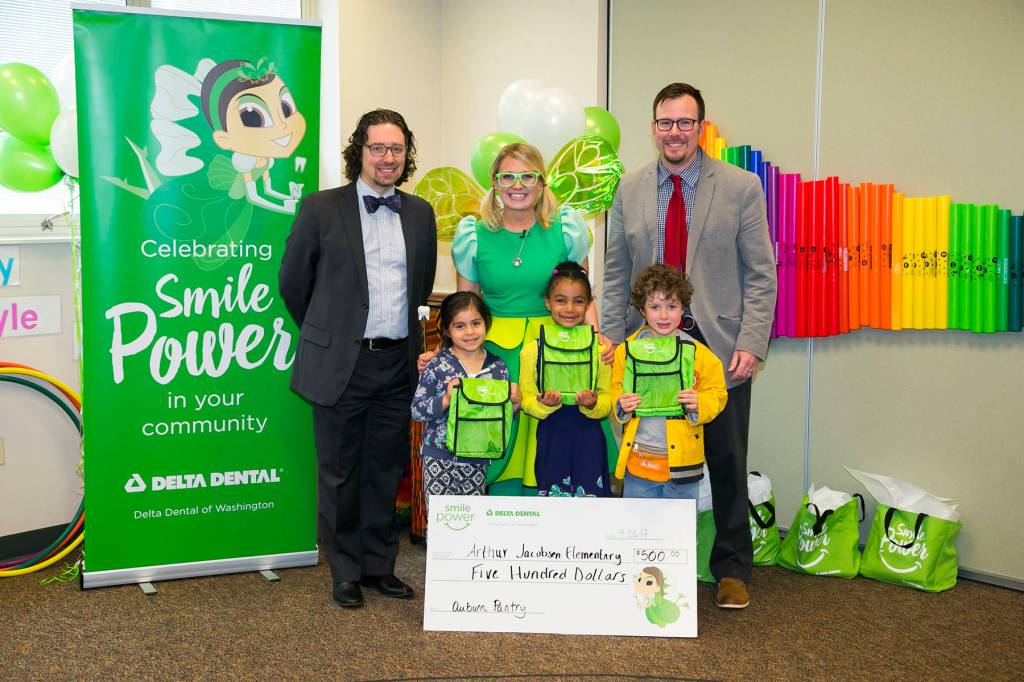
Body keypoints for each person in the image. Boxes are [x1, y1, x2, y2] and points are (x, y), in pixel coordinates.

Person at [601, 83, 777, 609]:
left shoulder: (741, 187)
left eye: (684, 122)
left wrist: (752, 341)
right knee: (645, 454)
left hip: (717, 346)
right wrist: (612, 333)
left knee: (725, 454)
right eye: (664, 122)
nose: (673, 132)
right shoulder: (627, 188)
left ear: (701, 126)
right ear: (652, 126)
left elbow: (761, 274)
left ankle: (730, 568)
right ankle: (645, 562)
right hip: (643, 345)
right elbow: (614, 272)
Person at [279, 109, 437, 609]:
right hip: (341, 363)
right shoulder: (320, 209)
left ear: (405, 155)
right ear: (359, 152)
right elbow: (293, 283)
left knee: (385, 470)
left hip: (397, 363)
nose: (388, 158)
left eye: (396, 149)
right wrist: (330, 333)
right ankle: (344, 571)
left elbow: (423, 284)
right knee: (340, 472)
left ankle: (378, 566)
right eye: (378, 148)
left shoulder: (420, 213)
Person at [448, 143, 612, 496]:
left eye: (527, 176)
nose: (517, 184)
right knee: (500, 441)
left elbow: (582, 296)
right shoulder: (473, 235)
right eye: (507, 176)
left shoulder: (565, 229)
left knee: (554, 441)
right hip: (496, 356)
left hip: (557, 353)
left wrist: (596, 339)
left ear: (542, 182)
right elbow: (466, 307)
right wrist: (453, 358)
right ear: (494, 182)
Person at [610, 264, 727, 501]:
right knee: (639, 534)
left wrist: (699, 403)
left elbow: (718, 392)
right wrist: (621, 404)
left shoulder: (698, 353)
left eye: (672, 306)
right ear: (642, 309)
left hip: (683, 468)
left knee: (678, 537)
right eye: (655, 307)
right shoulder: (626, 352)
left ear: (683, 307)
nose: (664, 316)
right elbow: (615, 390)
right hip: (638, 465)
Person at [411, 292, 521, 498]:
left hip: (478, 459)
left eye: (476, 323)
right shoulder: (437, 364)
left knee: (471, 523)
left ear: (486, 324)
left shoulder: (497, 368)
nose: (469, 332)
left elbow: (503, 418)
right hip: (439, 457)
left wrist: (515, 404)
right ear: (447, 330)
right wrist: (444, 400)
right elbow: (417, 411)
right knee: (441, 522)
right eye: (460, 326)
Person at [518, 262, 612, 497]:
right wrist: (543, 403)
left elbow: (608, 399)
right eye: (561, 300)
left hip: (588, 436)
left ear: (588, 304)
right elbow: (526, 400)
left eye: (578, 301)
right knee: (553, 501)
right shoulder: (532, 350)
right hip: (552, 436)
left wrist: (593, 404)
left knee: (591, 499)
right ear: (548, 303)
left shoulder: (599, 350)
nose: (569, 308)